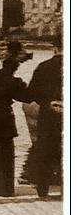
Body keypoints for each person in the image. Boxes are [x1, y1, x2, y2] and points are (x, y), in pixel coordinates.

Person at [0, 55, 30, 197]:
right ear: (15, 69)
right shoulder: (14, 82)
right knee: (6, 155)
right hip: (4, 119)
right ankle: (6, 189)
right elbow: (26, 97)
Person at [26, 34, 63, 199]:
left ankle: (43, 190)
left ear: (54, 49)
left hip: (49, 114)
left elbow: (32, 92)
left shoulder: (43, 67)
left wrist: (49, 102)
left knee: (45, 151)